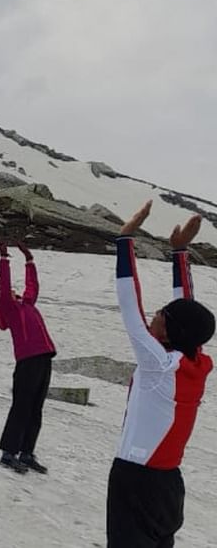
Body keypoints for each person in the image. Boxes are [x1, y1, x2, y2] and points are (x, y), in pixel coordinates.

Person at [107, 202, 213, 547]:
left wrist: (124, 241)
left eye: (160, 316)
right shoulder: (191, 360)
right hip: (168, 486)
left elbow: (129, 308)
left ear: (169, 332)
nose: (154, 315)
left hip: (137, 480)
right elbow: (187, 309)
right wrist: (180, 252)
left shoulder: (159, 365)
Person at [0, 241, 55, 475]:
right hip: (28, 361)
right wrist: (4, 257)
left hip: (44, 358)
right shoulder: (10, 309)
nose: (15, 292)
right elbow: (4, 286)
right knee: (22, 407)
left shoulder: (26, 304)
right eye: (7, 295)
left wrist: (29, 260)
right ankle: (8, 453)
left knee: (35, 408)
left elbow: (32, 285)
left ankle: (27, 452)